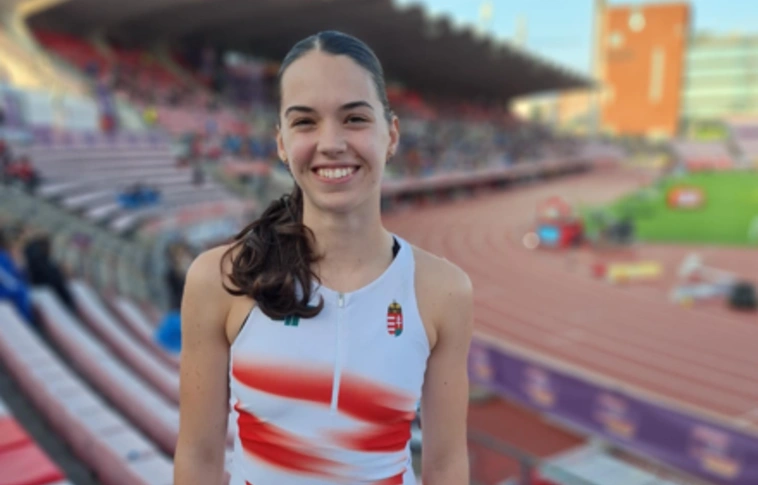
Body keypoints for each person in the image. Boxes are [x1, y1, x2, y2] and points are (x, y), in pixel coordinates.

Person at [174, 31, 473, 485]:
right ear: (281, 142)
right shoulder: (220, 280)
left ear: (391, 135)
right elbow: (197, 457)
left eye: (354, 119)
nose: (331, 142)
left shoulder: (444, 291)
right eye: (305, 122)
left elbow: (447, 466)